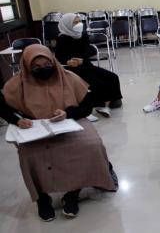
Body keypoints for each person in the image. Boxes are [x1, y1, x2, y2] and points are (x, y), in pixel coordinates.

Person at [1, 45, 117, 221]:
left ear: (53, 62)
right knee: (29, 154)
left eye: (46, 65)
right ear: (26, 67)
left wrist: (67, 113)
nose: (42, 70)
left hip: (69, 123)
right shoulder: (16, 85)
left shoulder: (69, 78)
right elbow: (3, 108)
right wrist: (17, 120)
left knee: (91, 144)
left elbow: (86, 107)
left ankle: (72, 193)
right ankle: (42, 198)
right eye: (36, 68)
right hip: (35, 129)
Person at [55, 13, 123, 119]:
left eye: (79, 22)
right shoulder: (62, 38)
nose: (79, 24)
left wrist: (82, 59)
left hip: (86, 65)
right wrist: (69, 61)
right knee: (97, 83)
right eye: (75, 22)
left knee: (112, 77)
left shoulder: (83, 35)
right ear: (67, 24)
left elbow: (88, 50)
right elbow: (59, 57)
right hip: (72, 70)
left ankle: (113, 100)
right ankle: (98, 106)